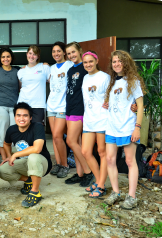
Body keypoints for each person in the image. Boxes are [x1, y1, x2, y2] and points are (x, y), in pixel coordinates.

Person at [103, 50, 146, 209]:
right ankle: (115, 192)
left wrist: (137, 128)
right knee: (110, 160)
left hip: (128, 127)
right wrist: (108, 105)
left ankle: (132, 197)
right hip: (112, 127)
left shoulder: (133, 81)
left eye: (120, 61)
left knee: (129, 161)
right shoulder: (112, 82)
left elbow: (140, 106)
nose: (116, 64)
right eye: (114, 62)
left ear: (126, 63)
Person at [0, 102, 52, 207]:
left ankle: (35, 192)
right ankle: (28, 180)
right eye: (18, 115)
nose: (21, 118)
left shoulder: (37, 126)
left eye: (25, 115)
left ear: (31, 117)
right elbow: (6, 143)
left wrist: (15, 154)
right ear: (14, 117)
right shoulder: (12, 130)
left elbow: (37, 149)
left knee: (33, 156)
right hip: (25, 163)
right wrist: (9, 156)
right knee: (2, 170)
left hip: (42, 163)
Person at [80, 51, 110, 198]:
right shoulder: (85, 77)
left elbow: (113, 96)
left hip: (102, 119)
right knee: (85, 151)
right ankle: (98, 180)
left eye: (91, 61)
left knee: (102, 152)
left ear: (96, 60)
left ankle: (101, 185)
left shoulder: (105, 77)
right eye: (85, 62)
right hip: (89, 120)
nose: (88, 64)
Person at [64, 42, 94, 187]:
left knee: (70, 141)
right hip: (69, 108)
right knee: (77, 143)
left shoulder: (85, 68)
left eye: (73, 52)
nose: (71, 55)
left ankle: (89, 172)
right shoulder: (70, 70)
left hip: (79, 109)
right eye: (68, 53)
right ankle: (80, 173)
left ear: (80, 51)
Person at [47, 42, 74, 178]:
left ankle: (65, 165)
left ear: (64, 52)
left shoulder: (70, 65)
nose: (56, 54)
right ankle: (58, 163)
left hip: (63, 106)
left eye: (58, 51)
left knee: (58, 136)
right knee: (55, 137)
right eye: (53, 51)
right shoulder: (51, 68)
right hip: (51, 105)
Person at [0, 48, 20, 162]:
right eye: (3, 57)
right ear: (0, 58)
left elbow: (20, 86)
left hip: (14, 105)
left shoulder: (17, 70)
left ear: (11, 58)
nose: (5, 59)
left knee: (14, 132)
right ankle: (5, 158)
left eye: (8, 56)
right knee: (1, 133)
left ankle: (11, 155)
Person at [17, 45, 50, 125]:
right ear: (27, 54)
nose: (31, 56)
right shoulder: (21, 71)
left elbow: (52, 83)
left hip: (38, 105)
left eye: (34, 54)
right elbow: (20, 87)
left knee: (37, 129)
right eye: (30, 53)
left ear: (38, 56)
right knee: (24, 130)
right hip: (23, 104)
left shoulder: (44, 67)